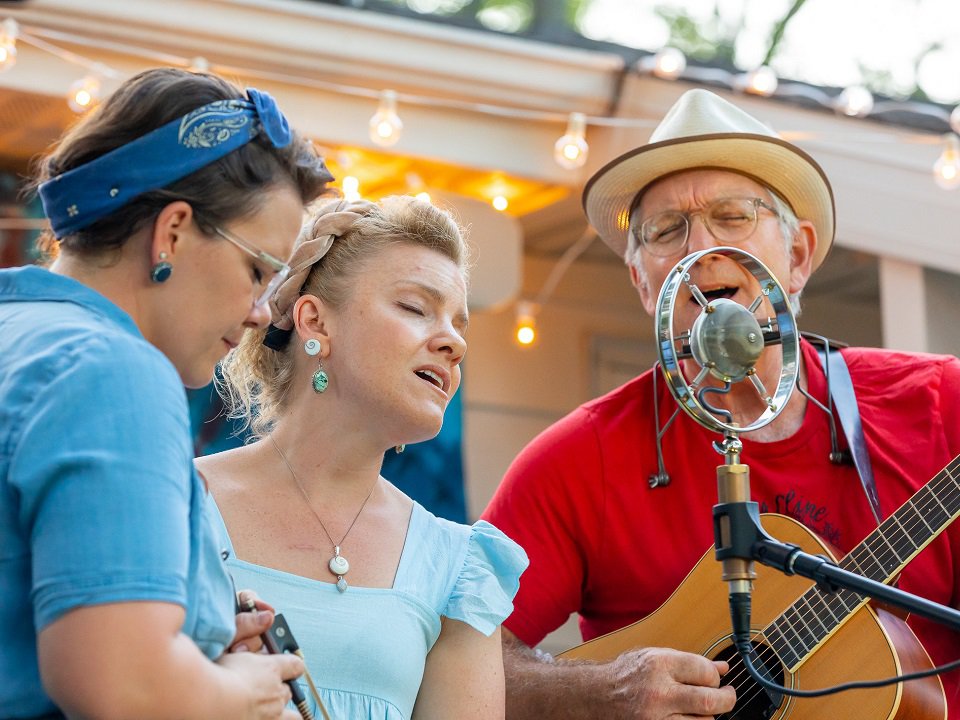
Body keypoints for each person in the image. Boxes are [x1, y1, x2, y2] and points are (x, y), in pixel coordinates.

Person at [482, 87, 960, 719]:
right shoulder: (579, 459)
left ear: (796, 257)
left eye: (733, 216)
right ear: (642, 283)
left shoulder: (940, 405)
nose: (698, 247)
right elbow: (454, 655)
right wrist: (603, 690)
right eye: (666, 229)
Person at [0, 67, 334, 719]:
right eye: (259, 271)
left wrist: (194, 647)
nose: (263, 313)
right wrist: (245, 689)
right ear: (173, 231)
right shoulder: (111, 372)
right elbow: (125, 686)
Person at [196, 194, 529, 719]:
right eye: (416, 308)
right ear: (315, 322)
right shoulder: (183, 505)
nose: (453, 344)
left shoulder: (458, 570)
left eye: (459, 326)